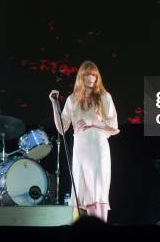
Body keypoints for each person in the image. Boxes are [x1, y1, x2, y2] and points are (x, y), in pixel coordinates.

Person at [49, 60, 120, 223]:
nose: (91, 78)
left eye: (94, 75)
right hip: (81, 148)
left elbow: (113, 126)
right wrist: (54, 104)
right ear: (82, 76)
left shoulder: (104, 97)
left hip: (98, 146)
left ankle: (102, 226)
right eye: (88, 74)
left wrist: (93, 123)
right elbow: (62, 127)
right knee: (84, 190)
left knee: (99, 188)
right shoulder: (72, 99)